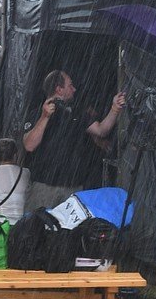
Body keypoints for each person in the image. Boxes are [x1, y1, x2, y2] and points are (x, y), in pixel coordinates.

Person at [22, 69, 125, 210]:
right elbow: (29, 145)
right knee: (37, 223)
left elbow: (101, 130)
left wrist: (115, 109)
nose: (74, 89)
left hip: (73, 186)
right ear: (59, 90)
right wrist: (44, 117)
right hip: (44, 186)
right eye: (70, 85)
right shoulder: (36, 113)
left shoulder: (77, 112)